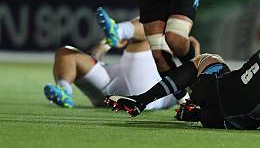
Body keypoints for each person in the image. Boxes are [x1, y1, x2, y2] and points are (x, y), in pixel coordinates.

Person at [104, 35, 260, 130]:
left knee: (207, 60)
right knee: (240, 102)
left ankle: (142, 100)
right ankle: (195, 112)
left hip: (213, 89)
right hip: (224, 121)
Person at [43, 7, 194, 110]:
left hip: (147, 90)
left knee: (150, 23)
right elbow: (93, 57)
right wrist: (106, 44)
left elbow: (194, 63)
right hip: (111, 85)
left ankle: (120, 30)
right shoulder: (166, 41)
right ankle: (64, 92)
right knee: (66, 53)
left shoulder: (184, 44)